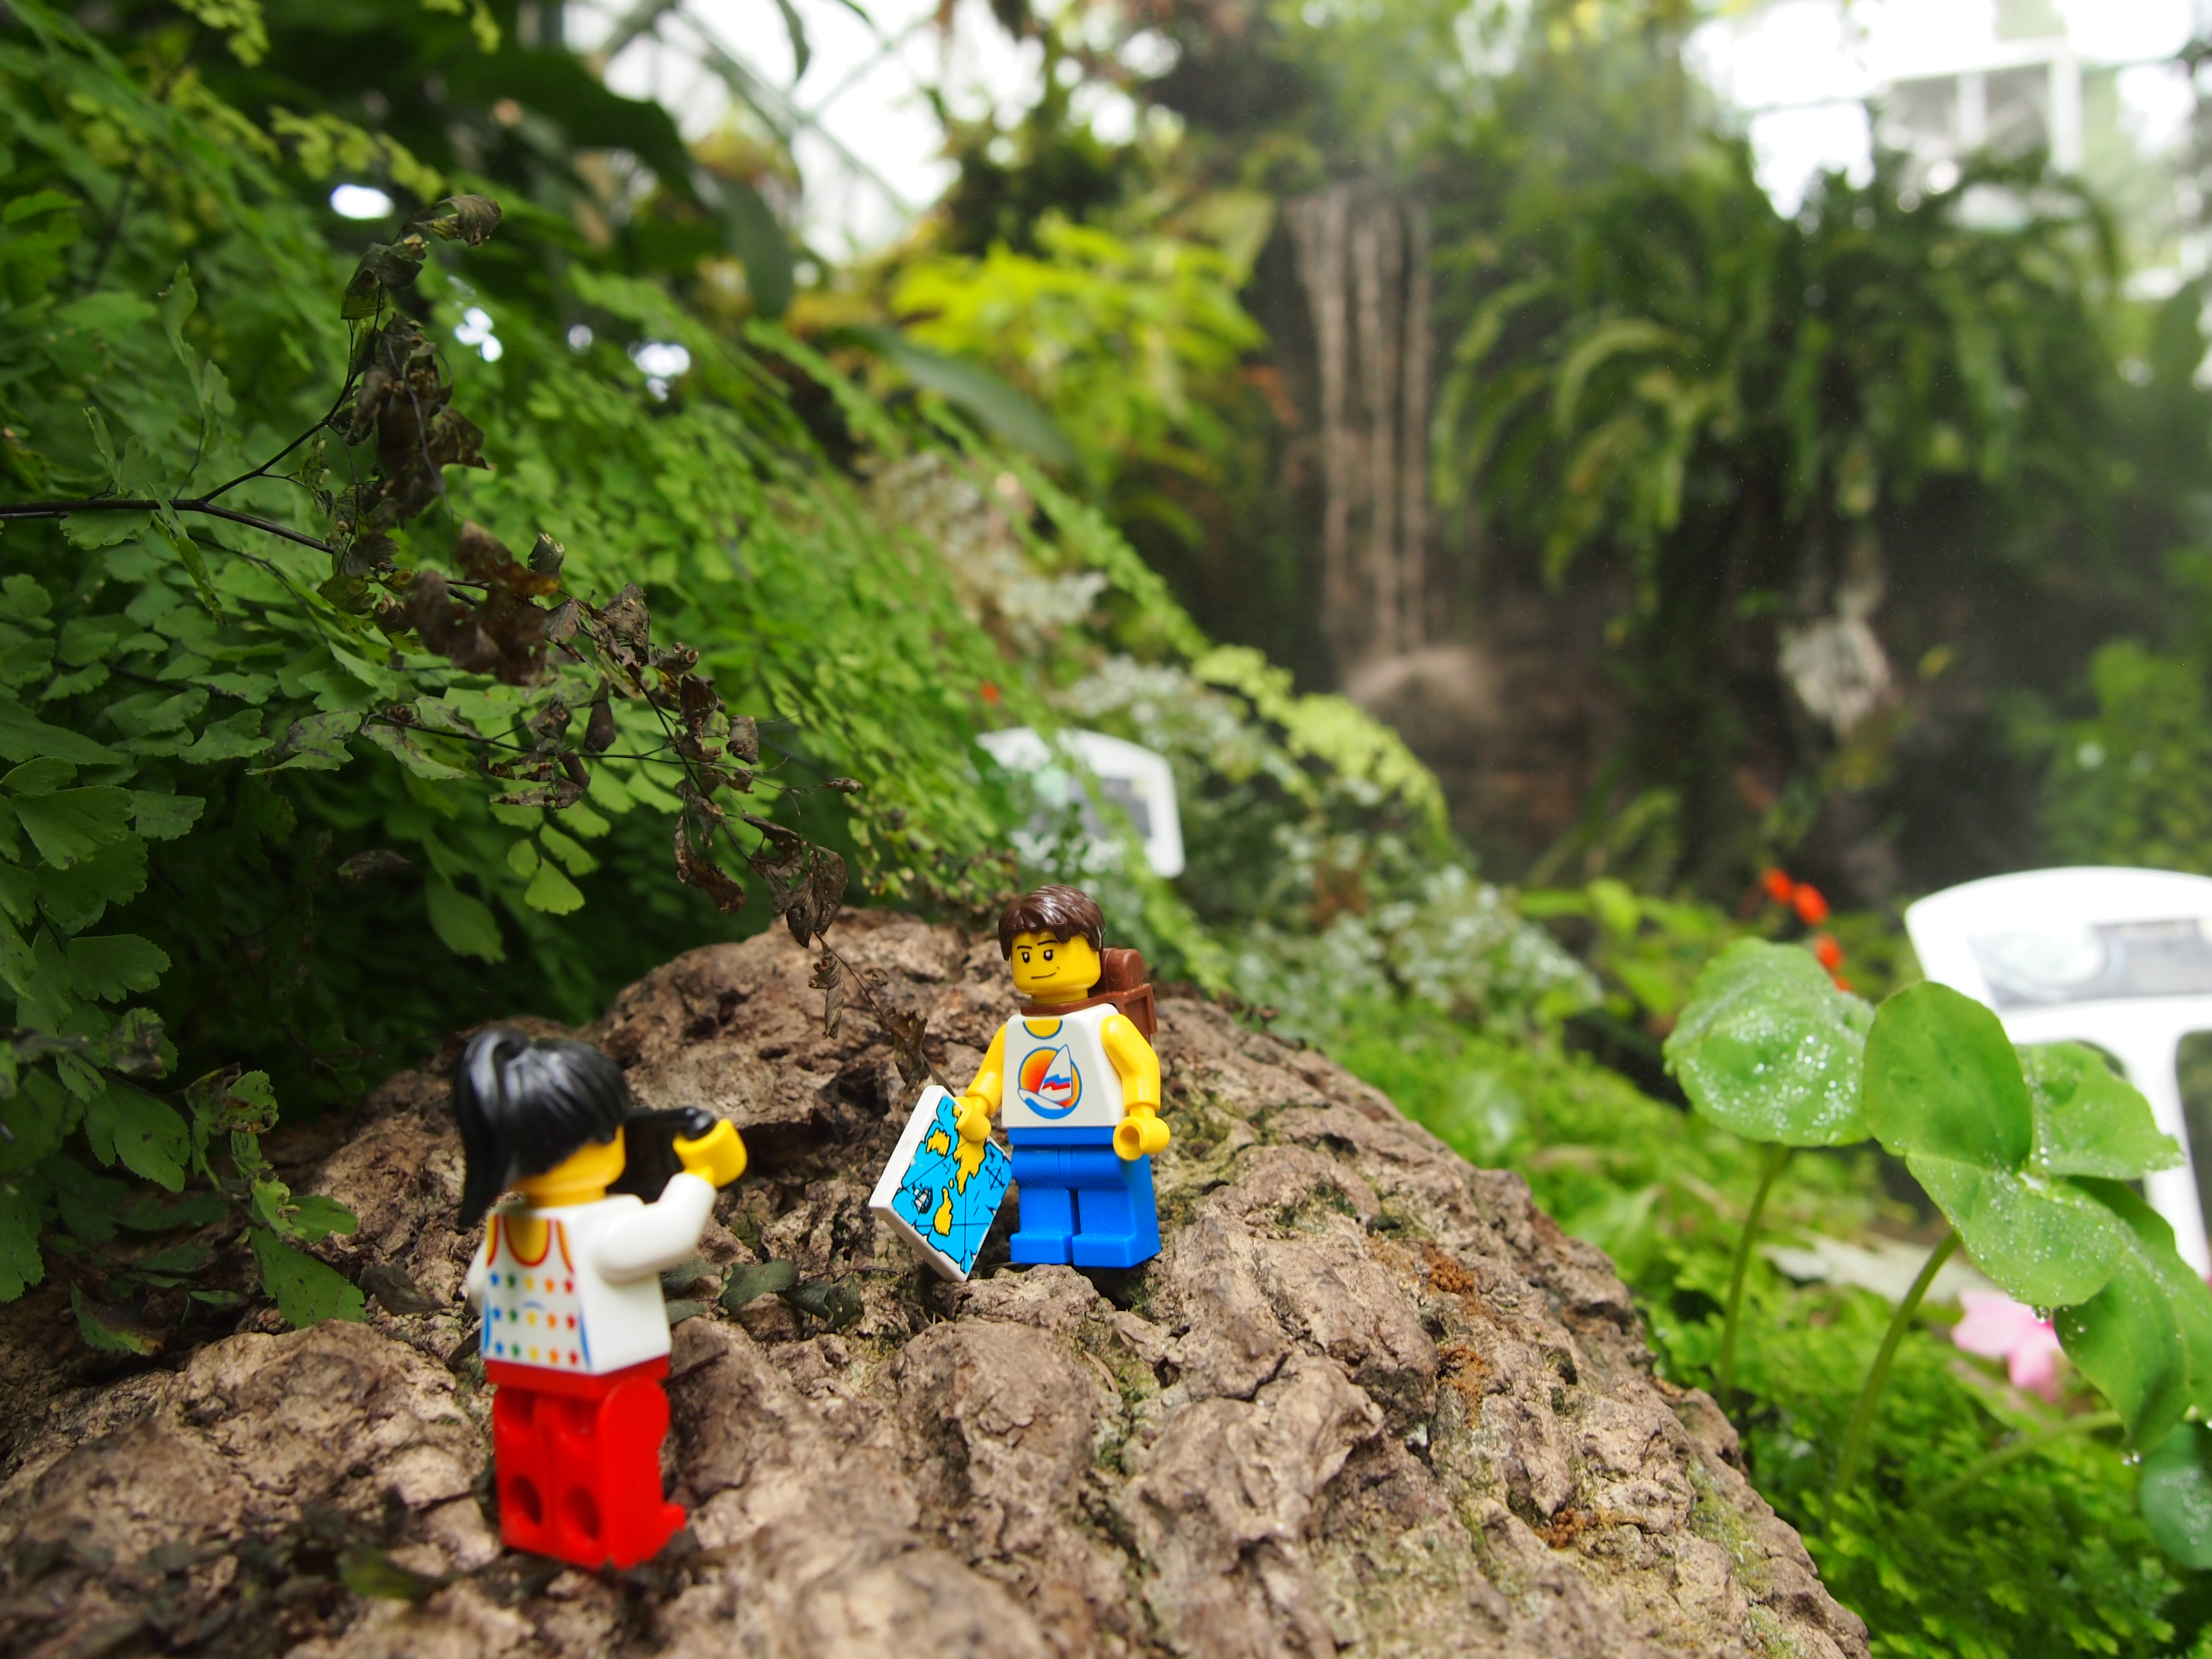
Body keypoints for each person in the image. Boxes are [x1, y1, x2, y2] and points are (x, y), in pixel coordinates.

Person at [453, 1028, 746, 1570]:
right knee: (618, 1445)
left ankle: (536, 1526)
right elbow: (673, 1234)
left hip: (522, 1371)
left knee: (535, 1453)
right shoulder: (600, 1227)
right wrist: (700, 1175)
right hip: (605, 1375)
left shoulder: (508, 1225)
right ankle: (628, 1531)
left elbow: (478, 1292)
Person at [953, 885, 1170, 1269]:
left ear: (1093, 951)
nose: (1037, 963)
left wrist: (1142, 1112)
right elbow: (995, 1073)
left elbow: (1141, 1065)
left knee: (1105, 1180)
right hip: (1034, 1140)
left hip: (1104, 1137)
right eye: (1025, 955)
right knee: (1038, 1184)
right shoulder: (1014, 1031)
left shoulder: (1105, 1024)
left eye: (1049, 952)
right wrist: (977, 1104)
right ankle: (1044, 1237)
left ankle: (1112, 1237)